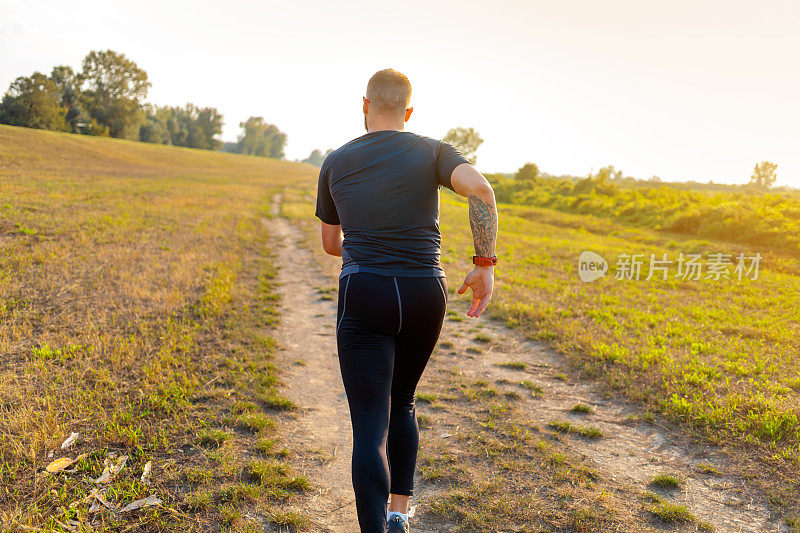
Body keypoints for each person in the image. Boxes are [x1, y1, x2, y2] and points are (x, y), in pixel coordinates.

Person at [315, 68, 499, 533]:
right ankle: (399, 513)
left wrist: (365, 239)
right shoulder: (434, 151)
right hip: (423, 292)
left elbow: (331, 243)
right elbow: (480, 190)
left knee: (369, 421)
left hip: (366, 290)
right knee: (404, 402)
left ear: (364, 106)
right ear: (409, 112)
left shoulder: (336, 161)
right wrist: (484, 263)